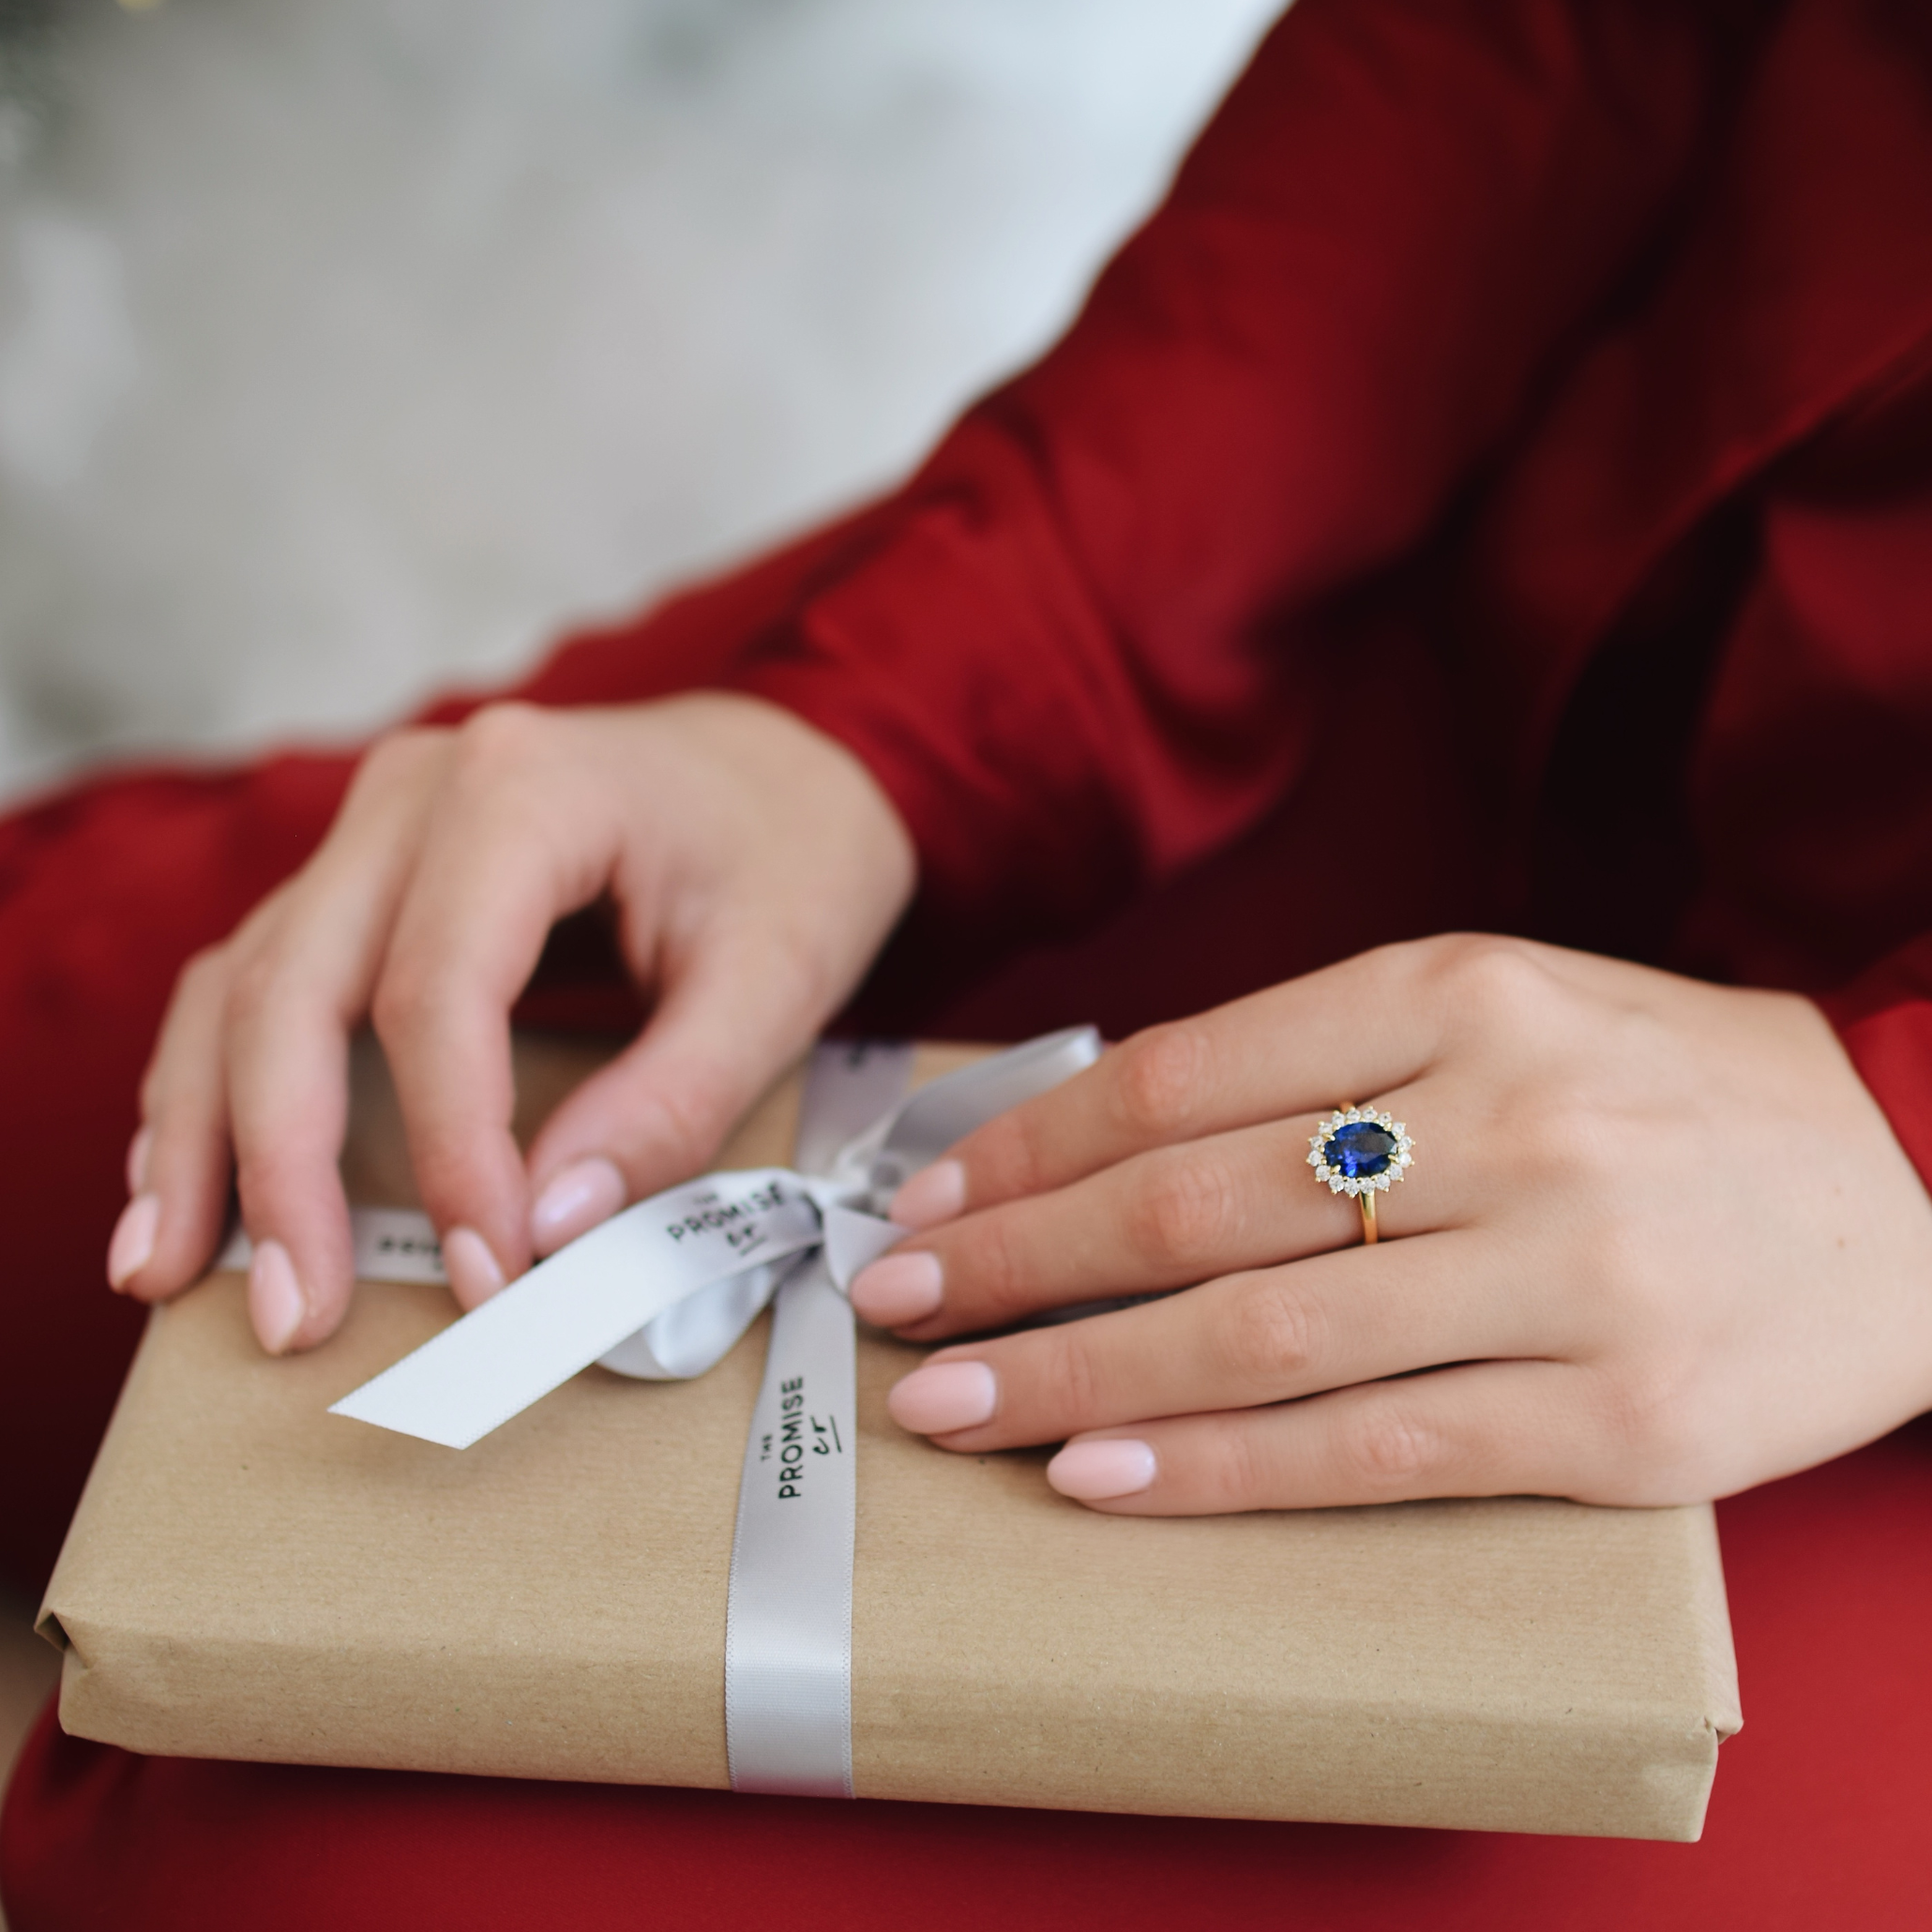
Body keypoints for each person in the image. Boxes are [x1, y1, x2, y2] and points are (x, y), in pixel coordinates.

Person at [5, 0, 1931, 1924]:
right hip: (1470, 541)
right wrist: (875, 734)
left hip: (1875, 1228)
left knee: (333, 1855)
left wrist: (1904, 1159)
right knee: (88, 1063)